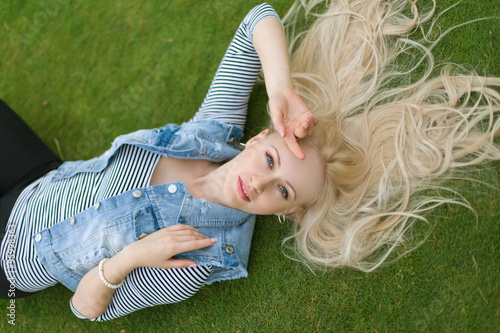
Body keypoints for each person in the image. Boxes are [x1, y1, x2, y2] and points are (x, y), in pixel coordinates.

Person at [1, 0, 499, 322]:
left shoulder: (204, 254)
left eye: (283, 190)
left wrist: (131, 258)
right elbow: (257, 19)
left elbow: (84, 307)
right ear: (259, 137)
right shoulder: (210, 133)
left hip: (11, 257)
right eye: (269, 158)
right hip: (37, 180)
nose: (260, 184)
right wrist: (281, 88)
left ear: (289, 212)